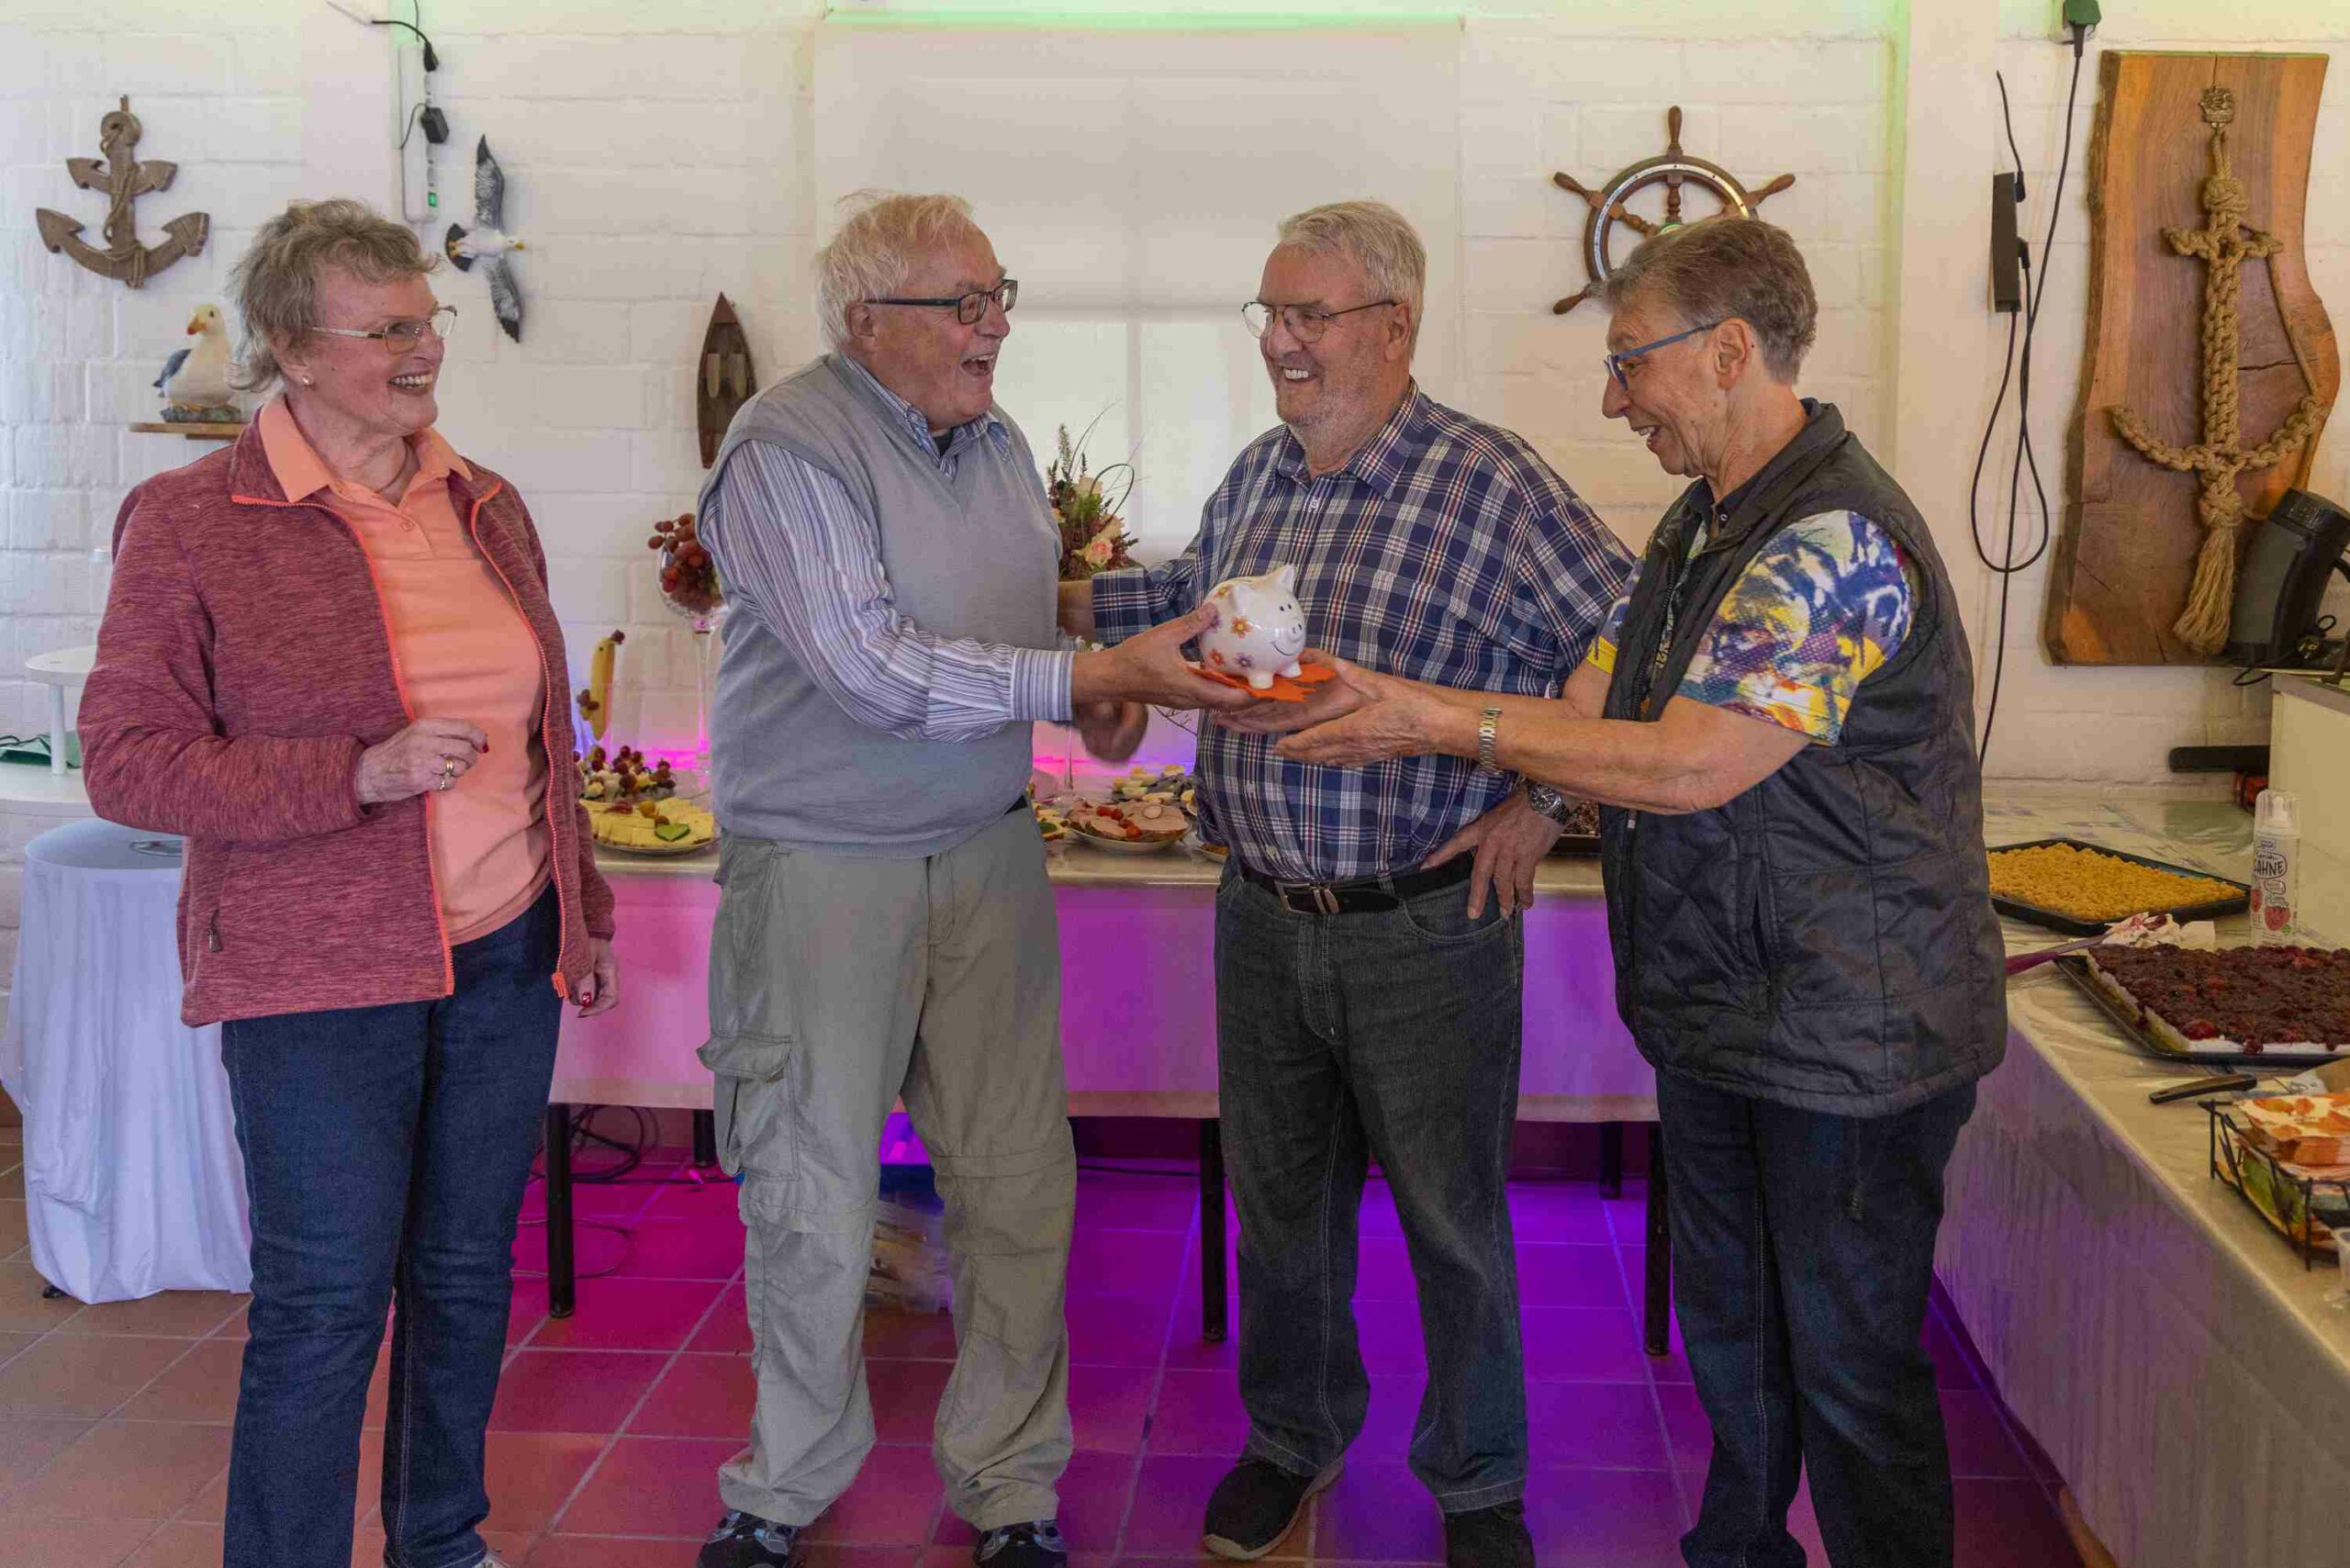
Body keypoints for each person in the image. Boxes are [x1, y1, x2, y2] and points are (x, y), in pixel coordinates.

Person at [1268, 216, 2008, 1568]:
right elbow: (1606, 694)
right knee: (1738, 1349)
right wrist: (1491, 754)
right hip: (1732, 1014)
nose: (1615, 401)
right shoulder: (1698, 522)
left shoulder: (1835, 542)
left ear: (1729, 352)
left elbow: (1689, 763)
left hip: (1851, 1034)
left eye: (1629, 363)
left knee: (1849, 1377)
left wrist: (1437, 721)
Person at [1062, 201, 1632, 1567]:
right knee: (1280, 1214)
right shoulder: (1258, 475)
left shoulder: (1487, 481)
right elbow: (1182, 616)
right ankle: (1291, 1439)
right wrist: (1044, 598)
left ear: (1394, 326)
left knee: (1452, 1223)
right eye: (1270, 314)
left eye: (1310, 315)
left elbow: (1628, 631)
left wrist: (1547, 801)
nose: (1282, 341)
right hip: (1260, 915)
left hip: (1423, 931)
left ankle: (1479, 1485)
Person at [689, 192, 1245, 1568]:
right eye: (963, 303)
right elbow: (870, 668)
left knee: (1016, 1185)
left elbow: (1010, 627)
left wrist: (1109, 684)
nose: (994, 325)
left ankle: (1011, 1488)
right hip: (824, 868)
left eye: (1000, 296)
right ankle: (784, 1488)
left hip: (989, 851)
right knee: (812, 1193)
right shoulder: (787, 448)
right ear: (866, 320)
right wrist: (1086, 673)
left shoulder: (995, 444)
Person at [78, 198, 619, 1568]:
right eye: (383, 330)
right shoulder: (192, 521)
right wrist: (355, 774)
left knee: (466, 1275)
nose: (422, 349)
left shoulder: (484, 502)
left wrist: (583, 909)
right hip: (317, 973)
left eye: (426, 321)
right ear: (290, 348)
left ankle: (441, 1541)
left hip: (505, 952)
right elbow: (127, 763)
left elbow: (546, 738)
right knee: (324, 1302)